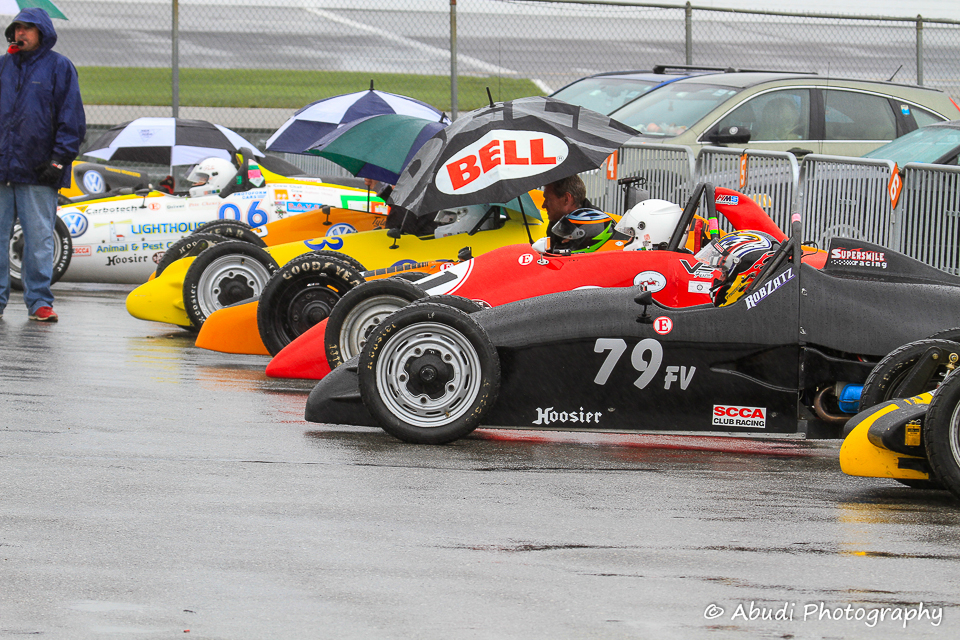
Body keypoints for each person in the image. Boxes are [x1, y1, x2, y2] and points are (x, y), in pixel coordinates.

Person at [0, 8, 85, 322]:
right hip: (3, 171)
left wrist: (58, 161)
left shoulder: (59, 68)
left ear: (42, 32)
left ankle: (39, 302)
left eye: (28, 29)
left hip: (39, 172)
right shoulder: (3, 67)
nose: (21, 34)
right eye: (17, 28)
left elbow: (72, 120)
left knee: (39, 240)